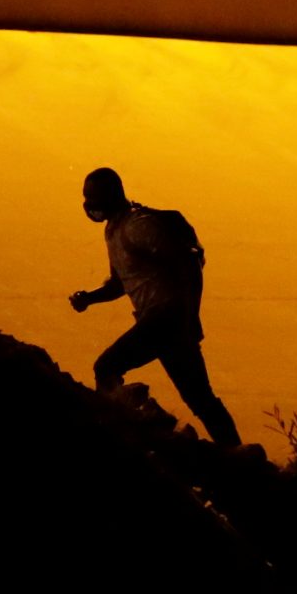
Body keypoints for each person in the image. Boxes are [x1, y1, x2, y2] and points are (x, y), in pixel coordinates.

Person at [69, 166, 241, 447]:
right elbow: (120, 284)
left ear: (111, 195)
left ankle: (111, 439)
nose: (89, 205)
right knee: (200, 398)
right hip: (162, 322)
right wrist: (89, 298)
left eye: (93, 197)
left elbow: (188, 262)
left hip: (164, 318)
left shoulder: (139, 226)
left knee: (107, 367)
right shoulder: (114, 230)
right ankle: (238, 454)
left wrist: (187, 312)